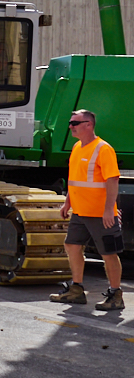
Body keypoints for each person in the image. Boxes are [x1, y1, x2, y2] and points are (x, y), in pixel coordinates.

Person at [50, 109, 124, 310]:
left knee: (108, 253)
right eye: (70, 122)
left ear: (89, 125)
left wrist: (109, 210)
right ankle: (76, 289)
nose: (70, 126)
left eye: (75, 123)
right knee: (72, 245)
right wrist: (68, 202)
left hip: (100, 213)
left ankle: (116, 295)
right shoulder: (77, 147)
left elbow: (112, 180)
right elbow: (75, 179)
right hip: (80, 212)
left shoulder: (103, 149)